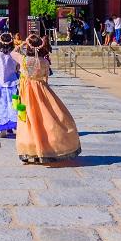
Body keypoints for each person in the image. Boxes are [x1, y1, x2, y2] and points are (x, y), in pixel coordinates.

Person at [12, 35, 82, 164]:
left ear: (28, 47)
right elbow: (45, 76)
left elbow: (13, 53)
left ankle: (31, 148)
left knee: (29, 120)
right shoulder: (44, 62)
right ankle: (47, 147)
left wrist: (21, 44)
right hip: (42, 90)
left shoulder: (23, 60)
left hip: (27, 91)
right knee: (46, 118)